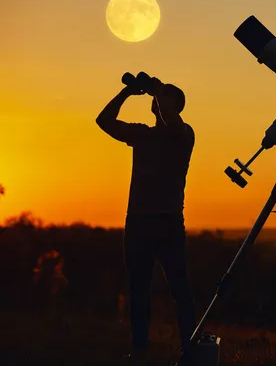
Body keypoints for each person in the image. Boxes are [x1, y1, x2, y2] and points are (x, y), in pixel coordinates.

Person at [96, 78, 197, 362]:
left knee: (180, 287)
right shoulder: (142, 135)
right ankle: (140, 350)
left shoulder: (184, 134)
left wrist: (157, 91)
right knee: (138, 289)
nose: (159, 99)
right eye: (158, 97)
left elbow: (171, 121)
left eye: (166, 96)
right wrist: (127, 91)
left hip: (168, 222)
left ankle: (190, 348)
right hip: (138, 222)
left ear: (177, 106)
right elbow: (103, 121)